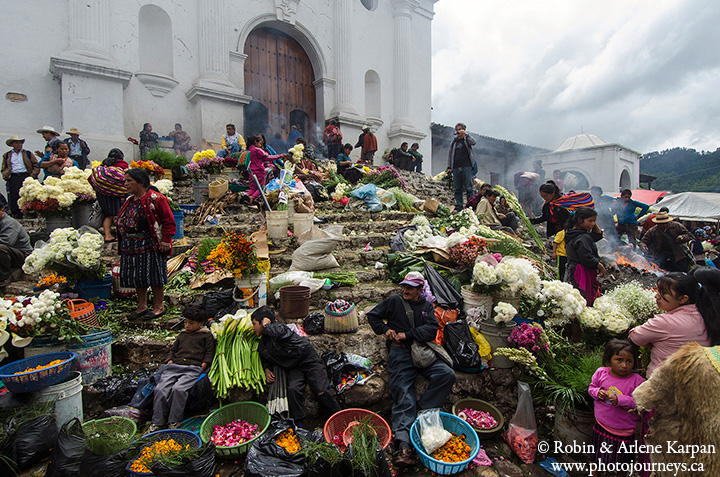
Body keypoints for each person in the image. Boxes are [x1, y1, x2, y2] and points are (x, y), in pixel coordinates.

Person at [366, 272, 455, 468]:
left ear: (419, 290)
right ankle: (403, 445)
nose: (405, 290)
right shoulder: (394, 302)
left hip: (421, 352)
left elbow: (432, 330)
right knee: (404, 395)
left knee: (446, 374)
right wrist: (384, 329)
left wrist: (407, 334)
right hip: (400, 353)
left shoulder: (426, 306)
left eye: (410, 288)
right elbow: (372, 316)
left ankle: (424, 412)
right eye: (404, 286)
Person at [251, 306, 341, 426]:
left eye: (254, 324)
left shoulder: (280, 328)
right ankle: (298, 425)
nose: (253, 328)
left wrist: (267, 326)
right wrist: (267, 369)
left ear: (264, 321)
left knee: (321, 390)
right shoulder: (264, 343)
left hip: (309, 361)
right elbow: (264, 356)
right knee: (293, 389)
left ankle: (339, 419)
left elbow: (280, 333)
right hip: (294, 366)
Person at [629, 270, 718, 377]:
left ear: (683, 299)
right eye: (658, 291)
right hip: (696, 381)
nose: (657, 296)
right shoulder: (707, 315)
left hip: (664, 383)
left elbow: (635, 337)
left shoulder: (665, 323)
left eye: (664, 293)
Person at [117, 168, 176, 321]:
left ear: (141, 182)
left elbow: (169, 221)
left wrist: (165, 240)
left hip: (150, 243)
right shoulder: (130, 200)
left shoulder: (156, 199)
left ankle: (158, 306)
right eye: (125, 180)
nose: (126, 184)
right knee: (137, 276)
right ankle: (142, 305)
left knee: (154, 275)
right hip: (131, 244)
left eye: (129, 181)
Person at [149, 304, 215, 432]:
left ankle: (174, 421)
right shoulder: (182, 335)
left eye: (191, 323)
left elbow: (208, 354)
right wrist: (170, 361)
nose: (187, 326)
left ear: (201, 323)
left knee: (179, 390)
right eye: (185, 322)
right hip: (174, 366)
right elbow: (173, 350)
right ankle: (157, 422)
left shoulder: (206, 336)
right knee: (161, 389)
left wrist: (202, 366)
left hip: (192, 368)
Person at [588, 339, 644, 475]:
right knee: (597, 459)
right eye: (619, 360)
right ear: (609, 359)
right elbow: (591, 388)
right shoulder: (601, 373)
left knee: (622, 463)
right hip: (602, 426)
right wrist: (597, 392)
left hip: (624, 431)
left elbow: (640, 402)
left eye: (629, 361)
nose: (624, 365)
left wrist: (621, 400)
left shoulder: (637, 381)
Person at [564, 207, 606, 306]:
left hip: (573, 269)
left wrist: (591, 223)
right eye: (590, 221)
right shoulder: (582, 237)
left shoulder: (573, 232)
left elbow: (598, 235)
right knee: (582, 299)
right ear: (579, 220)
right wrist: (599, 265)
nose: (593, 224)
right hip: (580, 272)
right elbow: (586, 258)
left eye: (594, 221)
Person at [88, 149, 129, 242]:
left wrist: (101, 189)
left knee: (108, 215)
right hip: (117, 195)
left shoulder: (102, 166)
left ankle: (108, 235)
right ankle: (119, 237)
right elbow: (126, 177)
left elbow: (91, 178)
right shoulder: (122, 164)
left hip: (102, 195)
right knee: (120, 215)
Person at [2, 135, 40, 218]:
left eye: (20, 143)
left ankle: (30, 213)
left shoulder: (27, 153)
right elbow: (4, 167)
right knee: (14, 195)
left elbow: (36, 165)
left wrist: (32, 175)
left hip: (26, 175)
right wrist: (5, 175)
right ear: (12, 144)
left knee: (28, 195)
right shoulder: (7, 155)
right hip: (14, 176)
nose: (19, 145)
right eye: (16, 143)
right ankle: (16, 214)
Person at [446, 122, 476, 210]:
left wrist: (466, 135)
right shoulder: (454, 142)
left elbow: (474, 142)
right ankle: (459, 205)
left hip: (466, 166)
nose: (458, 132)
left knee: (469, 187)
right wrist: (449, 167)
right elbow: (450, 155)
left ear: (464, 130)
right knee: (457, 188)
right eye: (457, 130)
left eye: (460, 129)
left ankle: (470, 205)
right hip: (456, 167)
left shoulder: (467, 140)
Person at [0, 207, 33, 287]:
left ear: (2, 210)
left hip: (22, 254)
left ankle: (4, 277)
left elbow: (7, 242)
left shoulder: (9, 223)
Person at [247, 135, 284, 203]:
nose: (261, 145)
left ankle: (246, 197)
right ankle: (252, 198)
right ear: (255, 142)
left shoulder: (249, 149)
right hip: (259, 171)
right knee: (260, 187)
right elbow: (268, 157)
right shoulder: (257, 150)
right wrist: (280, 156)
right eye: (260, 143)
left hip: (251, 171)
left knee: (253, 188)